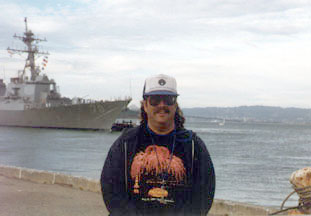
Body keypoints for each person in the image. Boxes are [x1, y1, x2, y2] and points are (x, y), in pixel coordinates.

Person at [101, 74, 215, 216]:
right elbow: (111, 190)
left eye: (168, 99)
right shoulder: (125, 143)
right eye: (155, 100)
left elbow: (204, 195)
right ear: (145, 105)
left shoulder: (193, 145)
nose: (162, 105)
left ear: (175, 105)